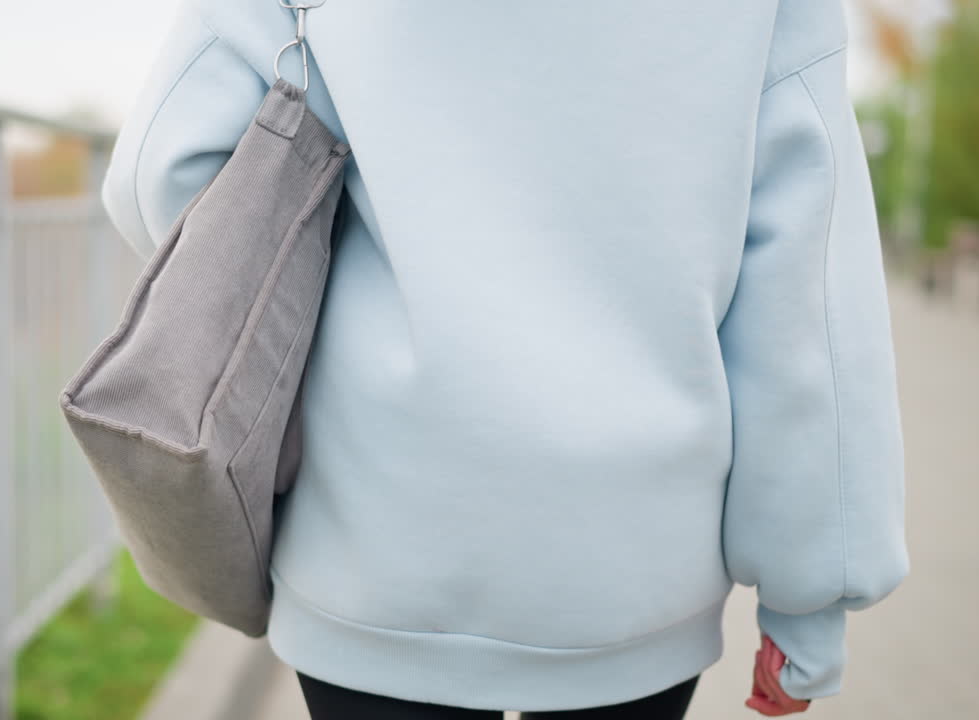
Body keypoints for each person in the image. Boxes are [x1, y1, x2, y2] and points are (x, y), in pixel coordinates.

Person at [99, 0, 910, 717]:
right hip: (633, 576)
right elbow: (810, 288)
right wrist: (812, 602)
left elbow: (160, 174)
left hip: (374, 545)